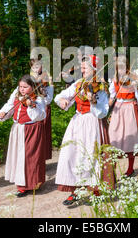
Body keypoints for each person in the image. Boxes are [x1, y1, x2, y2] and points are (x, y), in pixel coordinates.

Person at [54, 55, 113, 206]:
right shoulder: (79, 84)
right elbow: (60, 97)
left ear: (94, 69)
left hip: (93, 123)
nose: (82, 70)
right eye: (82, 68)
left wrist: (93, 101)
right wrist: (63, 101)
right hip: (77, 122)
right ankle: (75, 191)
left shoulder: (101, 86)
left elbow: (102, 112)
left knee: (91, 157)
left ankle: (96, 191)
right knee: (72, 155)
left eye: (85, 68)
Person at [0, 75, 47, 197]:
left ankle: (34, 183)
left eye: (25, 87)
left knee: (30, 157)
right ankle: (22, 185)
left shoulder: (38, 99)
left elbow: (40, 116)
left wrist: (31, 105)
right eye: (20, 87)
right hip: (18, 129)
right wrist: (3, 114)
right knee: (19, 157)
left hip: (31, 129)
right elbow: (9, 106)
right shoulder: (16, 96)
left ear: (33, 87)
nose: (22, 89)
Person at [108, 55, 138, 177]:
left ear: (127, 67)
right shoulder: (114, 80)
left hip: (130, 108)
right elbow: (112, 95)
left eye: (123, 67)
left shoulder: (133, 79)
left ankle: (130, 168)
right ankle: (112, 170)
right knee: (114, 137)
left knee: (130, 138)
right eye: (119, 68)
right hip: (118, 109)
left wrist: (137, 87)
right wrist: (108, 104)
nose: (121, 70)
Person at [30, 58, 54, 161]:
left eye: (38, 66)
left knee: (43, 136)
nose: (36, 69)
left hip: (43, 109)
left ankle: (42, 159)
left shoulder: (47, 78)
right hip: (33, 108)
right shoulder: (30, 79)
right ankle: (33, 157)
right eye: (34, 67)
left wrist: (43, 93)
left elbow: (48, 100)